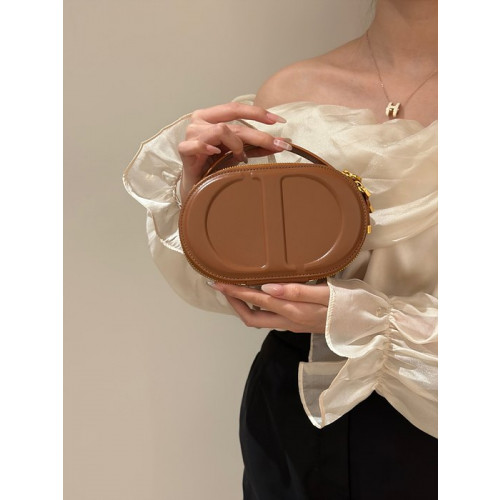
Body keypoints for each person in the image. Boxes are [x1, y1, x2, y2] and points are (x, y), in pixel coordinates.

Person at [123, 0, 438, 498]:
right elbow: (245, 281)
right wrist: (207, 197)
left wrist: (369, 322)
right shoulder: (293, 93)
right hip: (294, 414)